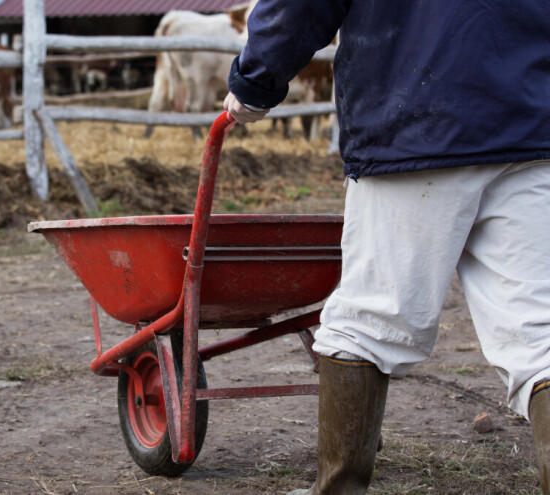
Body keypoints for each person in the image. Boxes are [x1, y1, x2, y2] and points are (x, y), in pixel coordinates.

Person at [224, 1, 550, 494]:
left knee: (368, 323)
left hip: (413, 118)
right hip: (532, 121)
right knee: (539, 331)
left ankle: (340, 489)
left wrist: (255, 80)